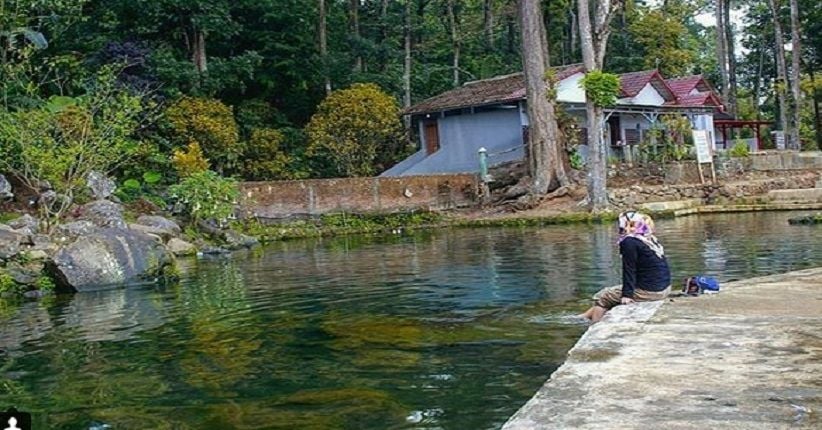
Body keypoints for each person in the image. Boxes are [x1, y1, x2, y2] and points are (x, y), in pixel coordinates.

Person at [579, 211, 671, 323]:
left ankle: (594, 325)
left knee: (604, 297)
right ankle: (583, 316)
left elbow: (629, 269)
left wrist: (627, 295)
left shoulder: (629, 242)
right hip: (664, 288)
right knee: (612, 291)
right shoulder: (649, 239)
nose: (628, 229)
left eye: (632, 225)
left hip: (651, 292)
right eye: (628, 225)